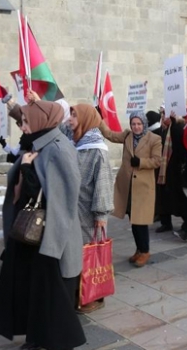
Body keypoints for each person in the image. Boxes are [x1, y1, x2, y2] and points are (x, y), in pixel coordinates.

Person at [0, 100, 86, 350]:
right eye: (21, 122)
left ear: (40, 122)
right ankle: (35, 337)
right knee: (32, 289)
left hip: (52, 236)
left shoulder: (57, 149)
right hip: (31, 234)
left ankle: (55, 341)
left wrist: (27, 169)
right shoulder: (36, 143)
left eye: (24, 122)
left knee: (53, 297)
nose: (21, 127)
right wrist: (13, 106)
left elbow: (63, 200)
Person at [68, 103, 114, 313]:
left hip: (88, 213)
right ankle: (80, 294)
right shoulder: (76, 141)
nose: (70, 120)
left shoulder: (97, 149)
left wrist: (101, 215)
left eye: (74, 116)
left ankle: (91, 297)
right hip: (74, 210)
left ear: (85, 119)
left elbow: (103, 184)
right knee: (79, 254)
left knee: (89, 255)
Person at [100, 112, 161, 268]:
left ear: (144, 124)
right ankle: (139, 249)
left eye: (139, 124)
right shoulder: (127, 136)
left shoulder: (154, 139)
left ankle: (145, 250)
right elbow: (110, 135)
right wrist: (98, 118)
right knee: (133, 220)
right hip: (127, 186)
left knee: (140, 221)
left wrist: (140, 162)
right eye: (133, 124)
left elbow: (157, 161)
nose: (136, 127)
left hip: (142, 187)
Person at [155, 111, 187, 235]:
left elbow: (180, 147)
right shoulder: (162, 129)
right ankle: (166, 223)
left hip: (174, 169)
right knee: (163, 196)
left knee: (177, 198)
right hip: (163, 170)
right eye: (162, 115)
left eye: (166, 115)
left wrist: (174, 123)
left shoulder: (177, 128)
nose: (163, 117)